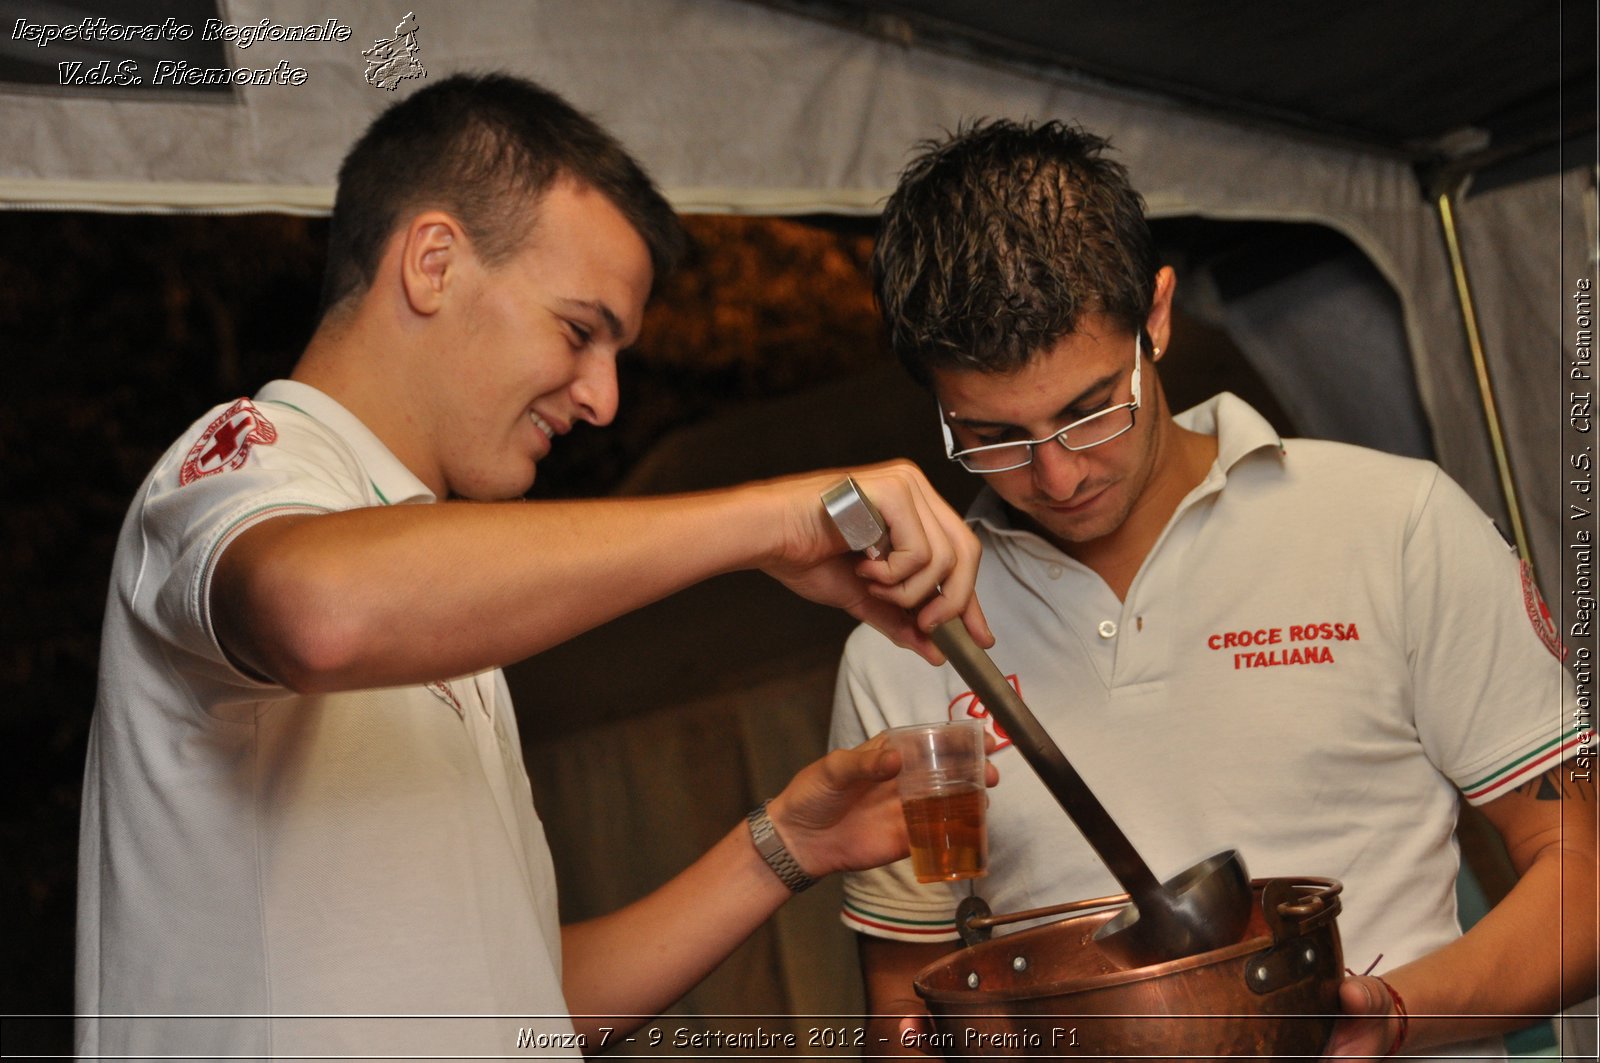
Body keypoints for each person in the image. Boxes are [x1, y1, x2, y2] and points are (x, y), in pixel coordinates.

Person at [75, 73, 995, 1061]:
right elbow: (320, 611)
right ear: (433, 262)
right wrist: (774, 519)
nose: (602, 397)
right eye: (578, 329)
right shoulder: (250, 456)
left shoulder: (443, 599)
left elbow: (526, 997)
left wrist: (790, 843)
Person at [829, 119, 1595, 1060]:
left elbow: (1583, 872)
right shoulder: (901, 646)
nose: (1058, 476)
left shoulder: (1392, 525)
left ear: (1156, 317)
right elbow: (904, 1004)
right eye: (992, 434)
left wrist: (1389, 1015)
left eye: (1088, 410)